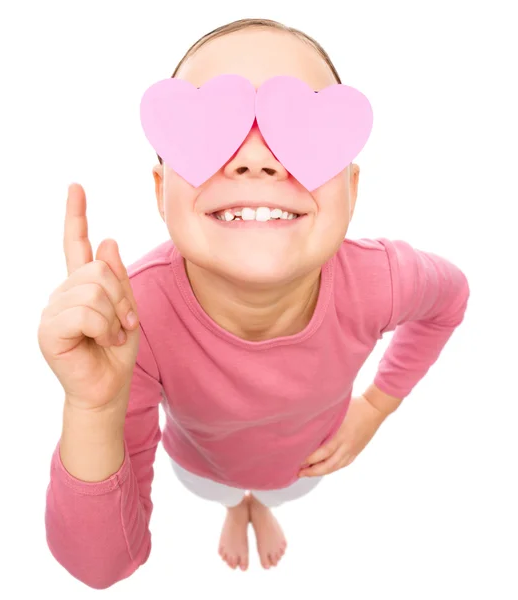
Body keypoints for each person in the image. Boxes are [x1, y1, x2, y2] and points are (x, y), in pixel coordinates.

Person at [38, 18, 470, 590]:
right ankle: (234, 507)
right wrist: (93, 410)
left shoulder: (382, 278)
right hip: (200, 463)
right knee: (220, 490)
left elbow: (450, 299)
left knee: (279, 489)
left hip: (306, 460)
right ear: (161, 190)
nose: (257, 161)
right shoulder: (132, 321)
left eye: (301, 131)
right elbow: (101, 569)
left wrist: (375, 407)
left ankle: (259, 504)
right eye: (214, 130)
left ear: (352, 191)